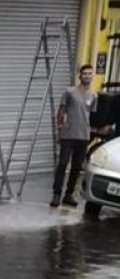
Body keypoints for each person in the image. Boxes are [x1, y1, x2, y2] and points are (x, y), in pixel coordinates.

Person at [52, 64, 98, 208]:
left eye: (90, 74)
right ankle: (56, 194)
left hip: (83, 137)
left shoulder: (94, 95)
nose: (87, 76)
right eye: (85, 73)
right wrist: (59, 129)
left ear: (93, 76)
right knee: (63, 164)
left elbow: (91, 115)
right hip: (68, 135)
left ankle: (68, 195)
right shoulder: (69, 92)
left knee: (76, 168)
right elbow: (61, 112)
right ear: (80, 75)